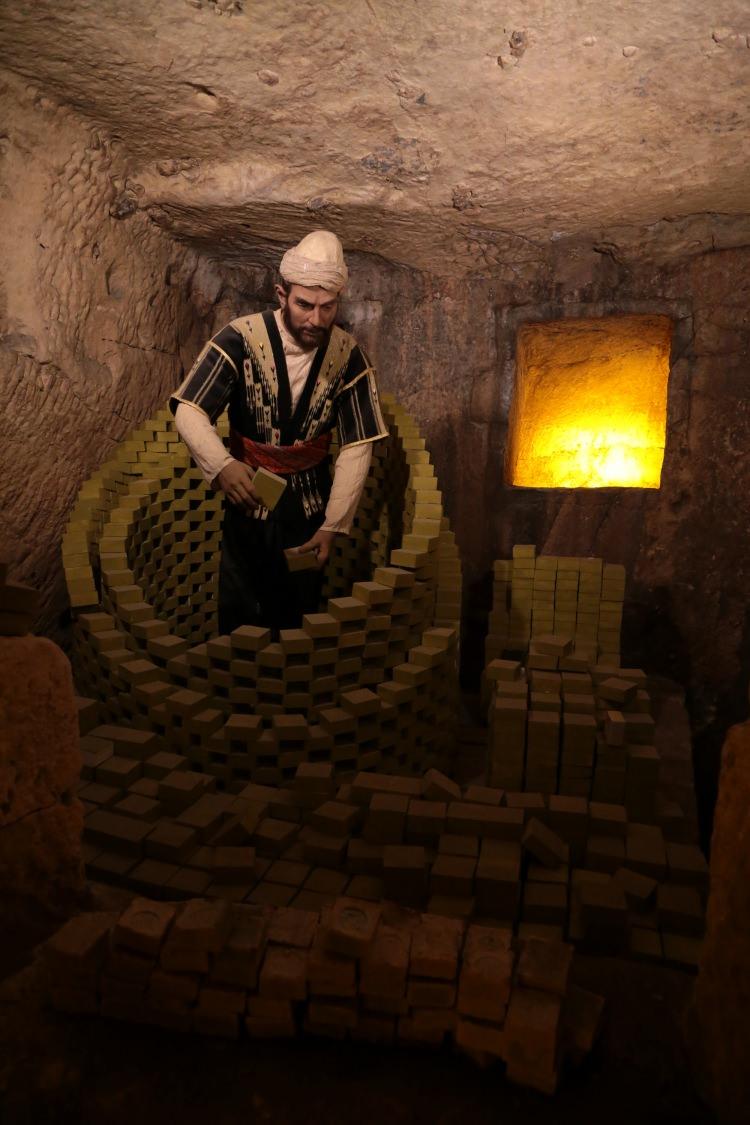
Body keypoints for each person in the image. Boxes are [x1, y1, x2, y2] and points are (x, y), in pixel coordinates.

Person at [169, 230, 388, 634]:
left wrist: (332, 525)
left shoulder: (349, 356)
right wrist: (221, 465)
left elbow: (358, 443)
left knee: (297, 611)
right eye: (305, 305)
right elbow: (190, 408)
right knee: (240, 603)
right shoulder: (239, 338)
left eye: (327, 307)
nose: (316, 319)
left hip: (310, 506)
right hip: (247, 496)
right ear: (281, 294)